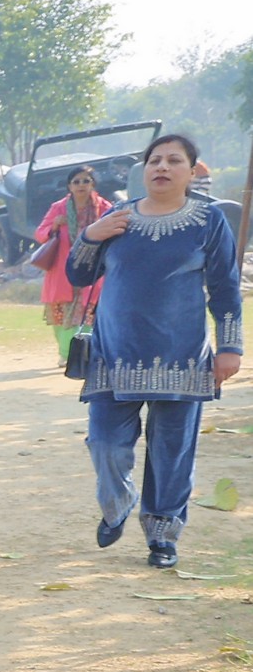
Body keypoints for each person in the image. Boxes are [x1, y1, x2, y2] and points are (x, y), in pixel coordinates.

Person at [66, 132, 244, 567]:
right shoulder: (117, 218)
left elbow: (225, 288)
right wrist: (91, 235)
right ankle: (117, 502)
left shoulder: (208, 220)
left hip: (182, 358)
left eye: (174, 160)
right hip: (113, 356)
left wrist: (230, 347)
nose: (162, 167)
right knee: (105, 444)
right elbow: (78, 276)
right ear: (143, 170)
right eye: (154, 160)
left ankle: (163, 537)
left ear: (191, 172)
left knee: (172, 453)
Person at [35, 165, 111, 365]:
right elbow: (40, 234)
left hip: (93, 270)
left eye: (86, 181)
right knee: (62, 315)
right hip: (62, 270)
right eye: (76, 182)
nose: (81, 185)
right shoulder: (58, 208)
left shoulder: (104, 208)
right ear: (69, 186)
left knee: (90, 313)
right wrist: (54, 225)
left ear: (93, 184)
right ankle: (66, 353)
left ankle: (85, 353)